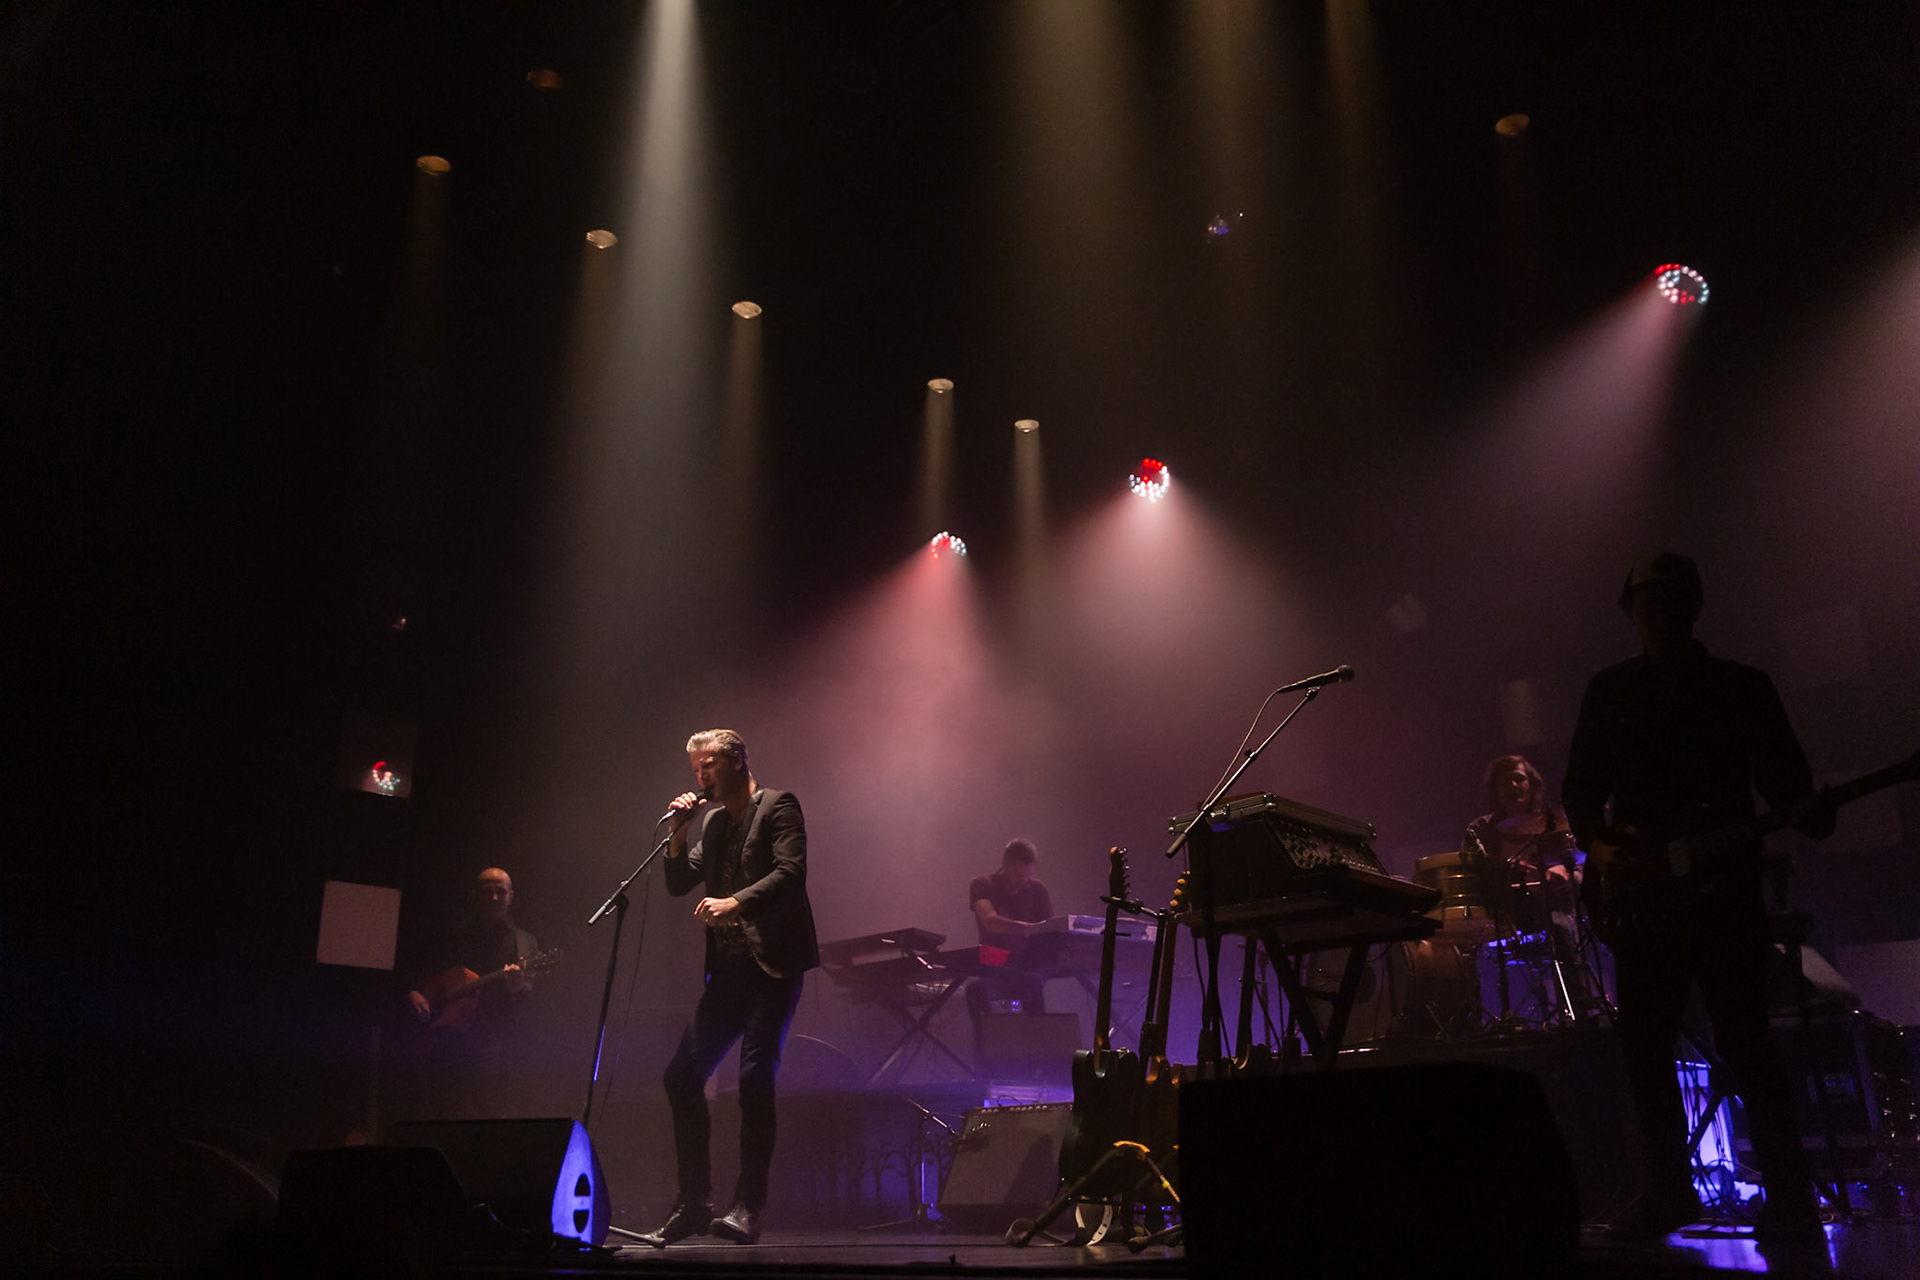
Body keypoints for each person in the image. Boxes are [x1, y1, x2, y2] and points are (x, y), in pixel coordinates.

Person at [1563, 553, 1834, 1251]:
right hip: (1644, 899)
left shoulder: (1742, 688)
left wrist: (1808, 810)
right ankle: (1670, 1190)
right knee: (1645, 1047)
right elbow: (1581, 790)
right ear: (1631, 611)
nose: (1654, 614)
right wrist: (1604, 848)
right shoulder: (1610, 692)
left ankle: (1790, 1198)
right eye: (1644, 602)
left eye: (1666, 600)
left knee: (1747, 1042)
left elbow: (1789, 785)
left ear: (1690, 607)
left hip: (1723, 893)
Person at [639, 729, 818, 1249]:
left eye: (710, 764)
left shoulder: (778, 806)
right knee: (680, 1077)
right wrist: (678, 833)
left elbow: (791, 872)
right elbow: (678, 882)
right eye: (696, 769)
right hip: (727, 973)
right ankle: (694, 1204)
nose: (701, 776)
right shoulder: (713, 822)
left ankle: (748, 1207)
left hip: (773, 967)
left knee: (755, 1079)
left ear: (738, 760)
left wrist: (735, 901)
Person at [400, 867, 538, 1119]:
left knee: (486, 1114)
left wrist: (517, 987)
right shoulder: (455, 935)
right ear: (477, 895)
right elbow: (426, 970)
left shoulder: (524, 942)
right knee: (442, 1111)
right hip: (447, 1038)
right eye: (488, 892)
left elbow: (530, 991)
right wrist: (416, 992)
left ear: (511, 896)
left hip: (493, 1040)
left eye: (501, 892)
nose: (495, 898)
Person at [964, 840, 1055, 1036]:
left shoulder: (1038, 890)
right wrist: (1029, 929)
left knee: (1032, 981)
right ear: (1005, 864)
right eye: (1018, 875)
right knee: (975, 991)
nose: (1023, 882)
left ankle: (1040, 1052)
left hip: (1027, 964)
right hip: (993, 961)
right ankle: (988, 1051)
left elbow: (1048, 931)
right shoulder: (982, 885)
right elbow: (990, 921)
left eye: (1028, 876)